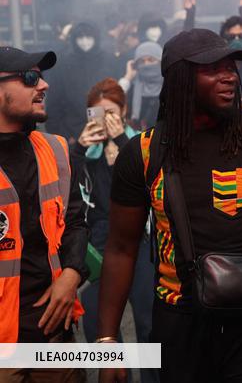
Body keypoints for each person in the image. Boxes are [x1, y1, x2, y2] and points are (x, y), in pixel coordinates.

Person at [96, 29, 242, 383]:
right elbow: (121, 249)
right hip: (181, 322)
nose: (229, 75)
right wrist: (107, 342)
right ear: (181, 79)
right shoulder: (142, 153)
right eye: (213, 68)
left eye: (231, 67)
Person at [0, 46, 87, 381]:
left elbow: (76, 223)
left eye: (42, 77)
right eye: (30, 77)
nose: (44, 86)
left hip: (53, 339)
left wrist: (72, 274)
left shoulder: (56, 150)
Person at [72, 79, 157, 383]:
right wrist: (80, 148)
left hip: (141, 242)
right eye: (97, 113)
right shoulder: (85, 152)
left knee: (149, 321)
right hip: (100, 246)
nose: (104, 120)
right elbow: (68, 187)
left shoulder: (141, 144)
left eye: (110, 112)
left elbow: (152, 181)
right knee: (99, 323)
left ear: (122, 111)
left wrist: (122, 142)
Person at [45, 21, 118, 140]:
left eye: (89, 37)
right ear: (74, 40)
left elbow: (117, 93)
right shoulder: (64, 63)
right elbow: (55, 99)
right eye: (80, 38)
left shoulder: (108, 60)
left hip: (106, 125)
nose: (85, 42)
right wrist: (59, 132)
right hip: (72, 129)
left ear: (96, 38)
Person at [118, 42, 163, 131]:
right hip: (137, 140)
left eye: (151, 60)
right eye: (142, 61)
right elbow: (112, 101)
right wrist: (128, 77)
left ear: (161, 61)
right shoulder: (132, 87)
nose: (146, 64)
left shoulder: (172, 86)